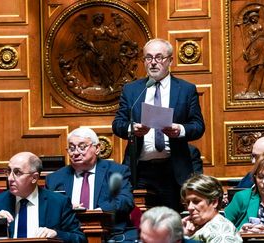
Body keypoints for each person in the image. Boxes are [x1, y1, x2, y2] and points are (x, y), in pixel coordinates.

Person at [112, 38, 205, 211]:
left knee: (172, 223)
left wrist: (180, 130)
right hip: (140, 169)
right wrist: (132, 129)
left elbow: (198, 126)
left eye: (159, 57)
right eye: (148, 57)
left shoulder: (185, 89)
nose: (153, 62)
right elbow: (118, 124)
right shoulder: (132, 90)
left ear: (170, 60)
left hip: (173, 169)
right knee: (140, 223)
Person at [45, 127, 137, 242]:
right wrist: (66, 208)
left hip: (110, 233)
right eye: (72, 148)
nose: (76, 153)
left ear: (97, 148)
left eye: (82, 147)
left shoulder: (116, 172)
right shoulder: (55, 178)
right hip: (71, 236)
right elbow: (47, 210)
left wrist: (97, 212)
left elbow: (125, 201)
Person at [0, 152, 86, 242]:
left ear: (34, 177)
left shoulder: (58, 203)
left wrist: (56, 234)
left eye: (17, 172)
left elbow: (80, 239)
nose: (10, 178)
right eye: (9, 171)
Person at [180, 174, 242, 242]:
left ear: (214, 202)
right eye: (188, 202)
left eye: (196, 201)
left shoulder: (221, 231)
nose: (189, 207)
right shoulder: (196, 227)